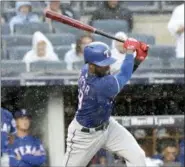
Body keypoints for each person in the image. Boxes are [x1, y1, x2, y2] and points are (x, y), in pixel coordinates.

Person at [62, 38, 149, 167]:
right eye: (103, 64)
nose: (107, 66)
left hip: (107, 127)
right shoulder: (100, 86)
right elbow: (124, 74)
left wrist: (137, 60)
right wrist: (130, 52)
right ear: (91, 65)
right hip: (84, 137)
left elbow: (119, 74)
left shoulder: (87, 69)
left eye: (108, 62)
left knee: (138, 157)